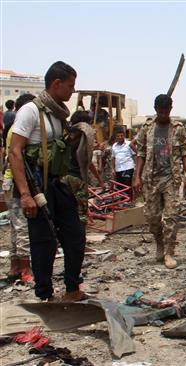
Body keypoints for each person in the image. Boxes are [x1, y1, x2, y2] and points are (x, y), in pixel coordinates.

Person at [8, 61, 87, 301]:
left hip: (57, 183)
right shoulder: (31, 111)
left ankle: (72, 289)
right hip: (37, 186)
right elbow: (15, 152)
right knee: (43, 242)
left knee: (75, 235)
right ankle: (45, 295)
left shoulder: (57, 114)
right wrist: (25, 194)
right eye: (70, 86)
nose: (73, 91)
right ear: (56, 84)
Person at [133, 94, 186, 269]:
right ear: (156, 109)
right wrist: (136, 176)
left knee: (171, 216)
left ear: (170, 110)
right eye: (161, 111)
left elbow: (185, 153)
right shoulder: (147, 128)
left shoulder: (178, 128)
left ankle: (169, 252)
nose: (164, 115)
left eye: (167, 111)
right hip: (150, 180)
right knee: (152, 217)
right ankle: (159, 243)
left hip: (171, 179)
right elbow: (141, 153)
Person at [3, 93, 36, 279]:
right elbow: (17, 157)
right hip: (15, 182)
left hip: (9, 181)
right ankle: (25, 269)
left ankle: (15, 266)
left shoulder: (11, 128)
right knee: (22, 225)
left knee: (15, 226)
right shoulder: (19, 129)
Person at [60, 111, 103, 228]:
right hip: (77, 179)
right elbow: (88, 163)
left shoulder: (65, 138)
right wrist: (99, 180)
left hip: (63, 178)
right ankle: (79, 238)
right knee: (81, 212)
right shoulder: (82, 142)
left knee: (65, 209)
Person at [111, 128, 135, 196]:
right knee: (119, 187)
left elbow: (134, 155)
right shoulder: (114, 146)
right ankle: (122, 201)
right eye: (118, 136)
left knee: (127, 186)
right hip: (118, 170)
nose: (120, 137)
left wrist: (135, 167)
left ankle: (129, 201)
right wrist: (113, 169)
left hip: (128, 168)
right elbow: (113, 158)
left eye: (121, 135)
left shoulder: (129, 144)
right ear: (116, 137)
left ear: (124, 135)